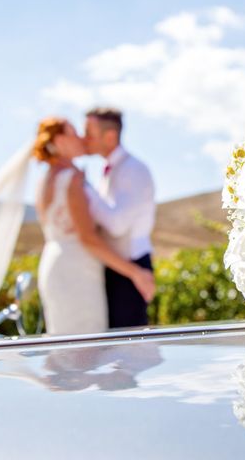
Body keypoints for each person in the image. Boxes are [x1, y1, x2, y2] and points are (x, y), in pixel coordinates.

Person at [33, 117, 155, 335]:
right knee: (84, 348)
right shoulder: (72, 179)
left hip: (56, 265)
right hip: (77, 273)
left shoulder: (45, 180)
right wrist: (136, 273)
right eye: (74, 133)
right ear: (59, 141)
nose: (81, 138)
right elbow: (88, 238)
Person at [83, 108, 157, 328]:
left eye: (89, 132)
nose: (84, 138)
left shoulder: (134, 170)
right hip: (117, 266)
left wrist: (83, 187)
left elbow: (117, 225)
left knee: (129, 352)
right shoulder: (109, 170)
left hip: (132, 269)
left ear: (110, 136)